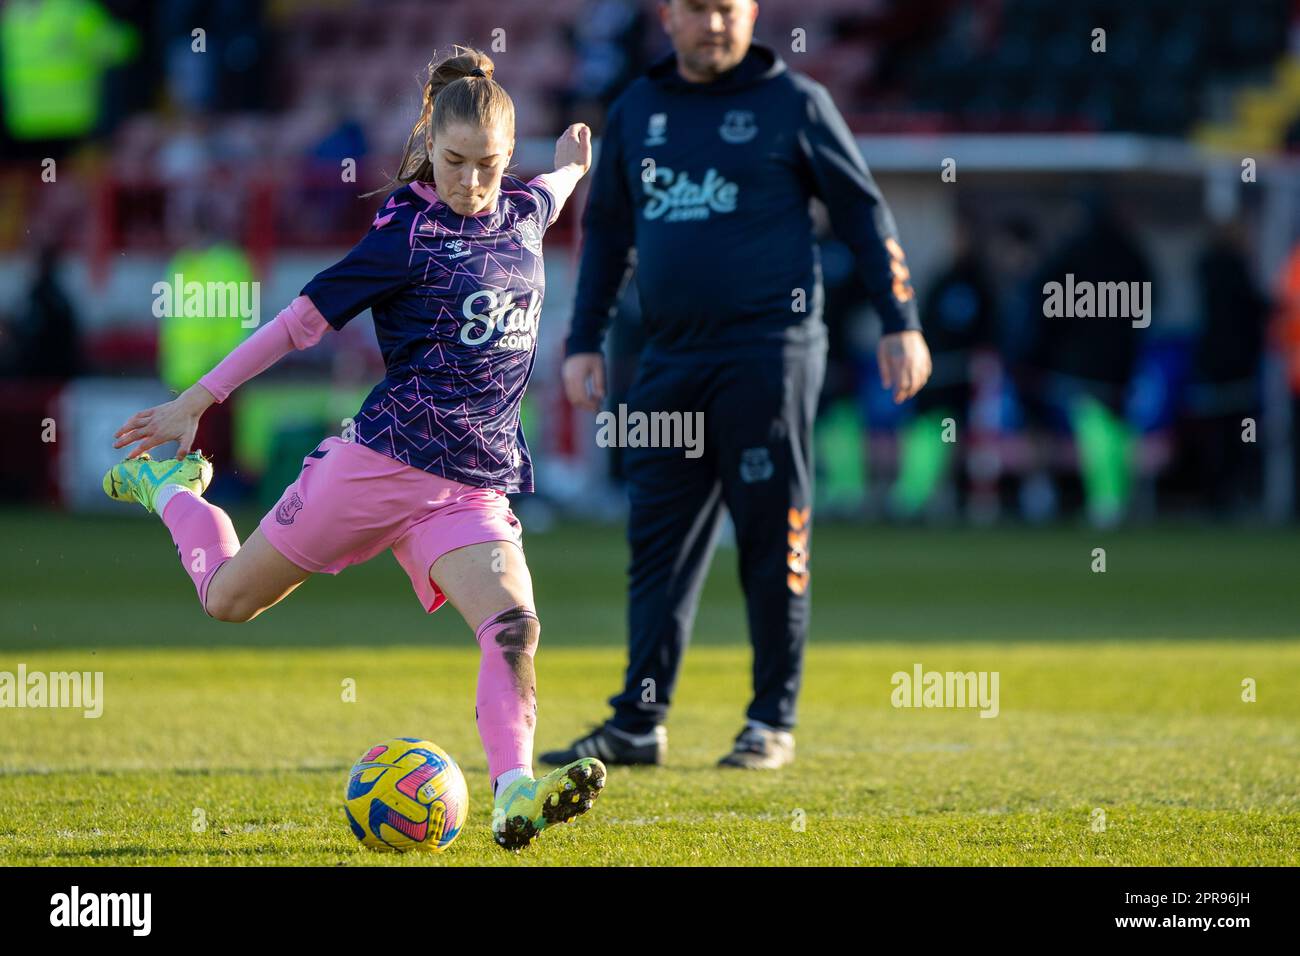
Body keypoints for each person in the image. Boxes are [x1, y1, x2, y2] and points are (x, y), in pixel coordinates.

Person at [102, 47, 604, 851]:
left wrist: (574, 168)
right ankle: (167, 489)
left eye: (489, 166)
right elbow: (298, 323)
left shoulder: (523, 209)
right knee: (228, 599)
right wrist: (197, 400)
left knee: (514, 629)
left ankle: (514, 793)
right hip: (378, 465)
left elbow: (549, 190)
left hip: (470, 488)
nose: (472, 182)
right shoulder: (405, 232)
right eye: (454, 163)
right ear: (429, 147)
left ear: (510, 161)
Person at [544, 0, 931, 770]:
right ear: (667, 16)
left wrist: (902, 318)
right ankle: (637, 723)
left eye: (728, 8)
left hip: (772, 353)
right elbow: (609, 233)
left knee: (771, 539)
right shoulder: (638, 109)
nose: (714, 23)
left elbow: (863, 213)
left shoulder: (795, 104)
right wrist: (585, 339)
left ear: (752, 13)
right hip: (667, 361)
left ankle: (769, 720)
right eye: (697, 9)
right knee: (656, 545)